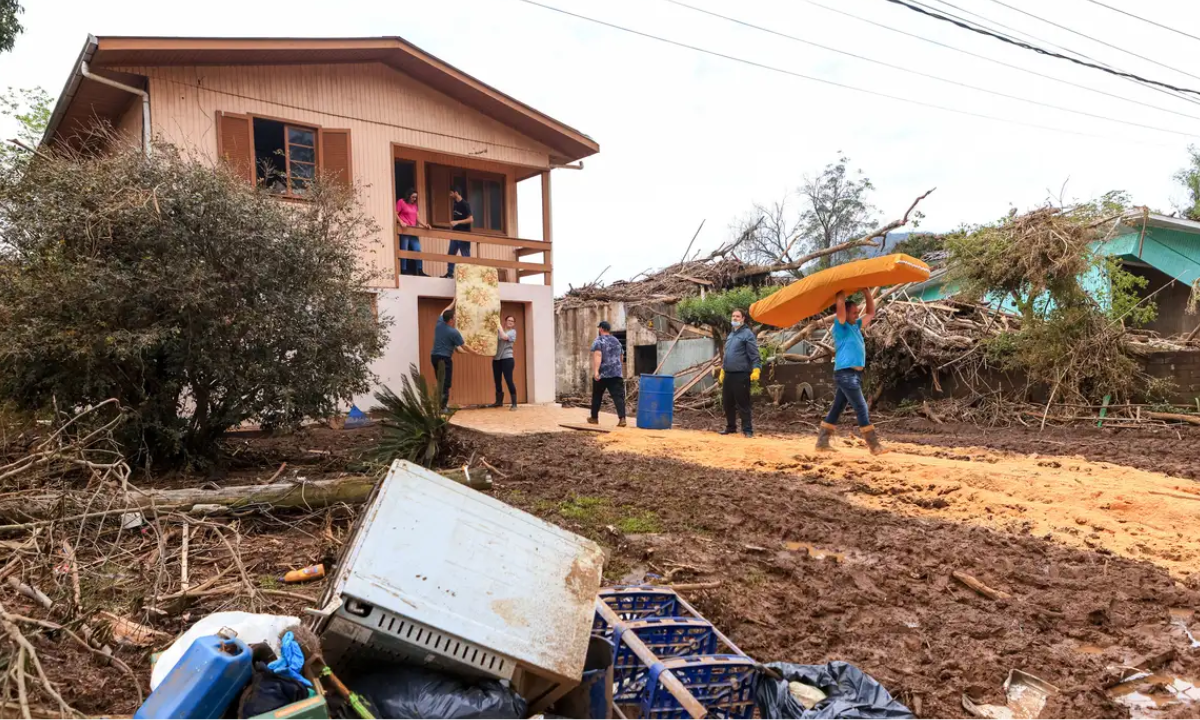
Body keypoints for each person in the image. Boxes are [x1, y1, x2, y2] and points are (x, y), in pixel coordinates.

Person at [816, 288, 886, 454]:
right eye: (853, 312)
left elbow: (870, 312)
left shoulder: (856, 325)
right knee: (861, 407)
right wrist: (840, 290)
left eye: (856, 312)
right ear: (845, 314)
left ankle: (822, 443)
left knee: (837, 407)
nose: (857, 314)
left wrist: (867, 293)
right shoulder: (841, 327)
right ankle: (874, 445)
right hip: (846, 374)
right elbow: (839, 306)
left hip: (853, 374)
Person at [719, 308, 761, 438]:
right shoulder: (731, 335)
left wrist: (756, 369)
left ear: (743, 319)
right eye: (733, 316)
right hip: (729, 374)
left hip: (741, 374)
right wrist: (723, 369)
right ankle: (731, 427)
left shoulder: (747, 334)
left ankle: (747, 430)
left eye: (737, 316)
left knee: (743, 403)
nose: (735, 318)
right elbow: (727, 355)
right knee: (727, 402)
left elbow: (754, 354)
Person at [587, 321, 627, 428]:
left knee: (597, 396)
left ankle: (594, 418)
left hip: (603, 374)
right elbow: (621, 358)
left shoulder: (599, 341)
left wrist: (596, 372)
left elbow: (598, 355)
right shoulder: (617, 341)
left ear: (601, 329)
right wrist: (618, 370)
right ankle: (622, 418)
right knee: (619, 397)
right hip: (616, 373)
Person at [430, 299, 466, 409]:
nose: (455, 318)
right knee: (446, 382)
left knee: (440, 381)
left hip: (434, 357)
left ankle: (440, 404)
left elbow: (444, 310)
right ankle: (443, 406)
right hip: (444, 359)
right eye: (454, 317)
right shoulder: (453, 332)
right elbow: (463, 347)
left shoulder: (440, 324)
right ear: (450, 320)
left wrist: (454, 301)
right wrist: (474, 352)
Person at [396, 188, 431, 276]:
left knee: (417, 249)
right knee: (405, 250)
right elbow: (395, 213)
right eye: (413, 197)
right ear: (409, 196)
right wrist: (401, 222)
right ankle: (403, 270)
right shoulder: (401, 202)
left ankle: (420, 270)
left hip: (413, 231)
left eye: (416, 197)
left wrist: (425, 225)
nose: (414, 199)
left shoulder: (415, 206)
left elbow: (417, 218)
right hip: (405, 230)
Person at [444, 187, 474, 278]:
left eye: (451, 193)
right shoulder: (455, 204)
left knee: (465, 254)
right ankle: (450, 274)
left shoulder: (465, 204)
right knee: (451, 253)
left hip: (464, 233)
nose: (450, 195)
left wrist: (457, 222)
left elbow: (471, 219)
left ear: (456, 193)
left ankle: (468, 275)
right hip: (455, 233)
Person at [491, 315, 518, 411]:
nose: (510, 322)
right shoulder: (499, 331)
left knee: (509, 380)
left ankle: (514, 403)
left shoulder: (512, 332)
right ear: (505, 321)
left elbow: (504, 336)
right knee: (497, 380)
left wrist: (498, 325)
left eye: (512, 321)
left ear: (514, 323)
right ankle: (499, 402)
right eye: (508, 320)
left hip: (507, 359)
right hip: (496, 359)